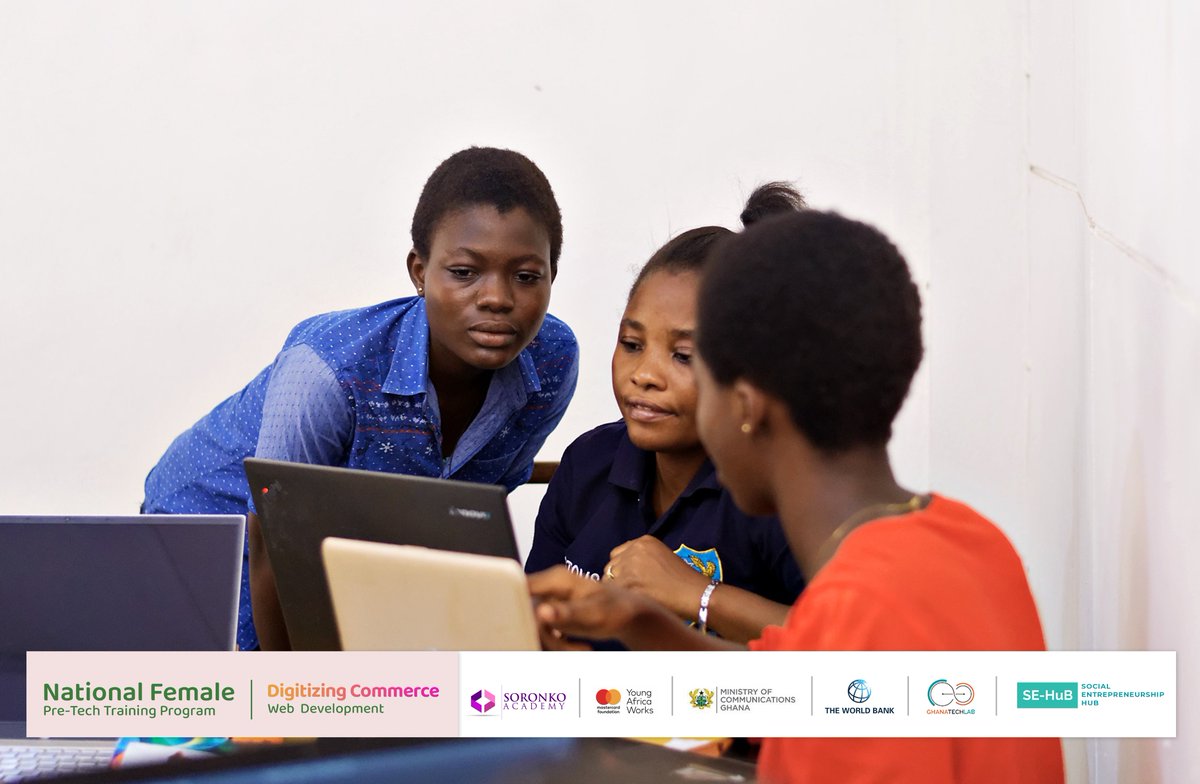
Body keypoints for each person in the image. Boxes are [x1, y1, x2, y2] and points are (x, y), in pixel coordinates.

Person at [528, 210, 1064, 782]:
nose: (647, 379)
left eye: (694, 368)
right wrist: (640, 622)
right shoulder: (973, 541)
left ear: (744, 404)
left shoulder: (860, 622)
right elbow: (794, 679)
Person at [144, 147, 579, 651]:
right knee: (236, 704)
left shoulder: (551, 362)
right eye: (464, 272)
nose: (498, 298)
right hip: (212, 536)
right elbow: (272, 542)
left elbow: (472, 510)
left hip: (340, 544)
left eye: (527, 276)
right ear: (419, 271)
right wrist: (295, 700)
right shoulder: (328, 368)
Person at [524, 184, 806, 643]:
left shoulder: (776, 492)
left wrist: (699, 595)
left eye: (683, 355)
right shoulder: (588, 462)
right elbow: (537, 629)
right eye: (632, 345)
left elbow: (853, 647)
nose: (644, 375)